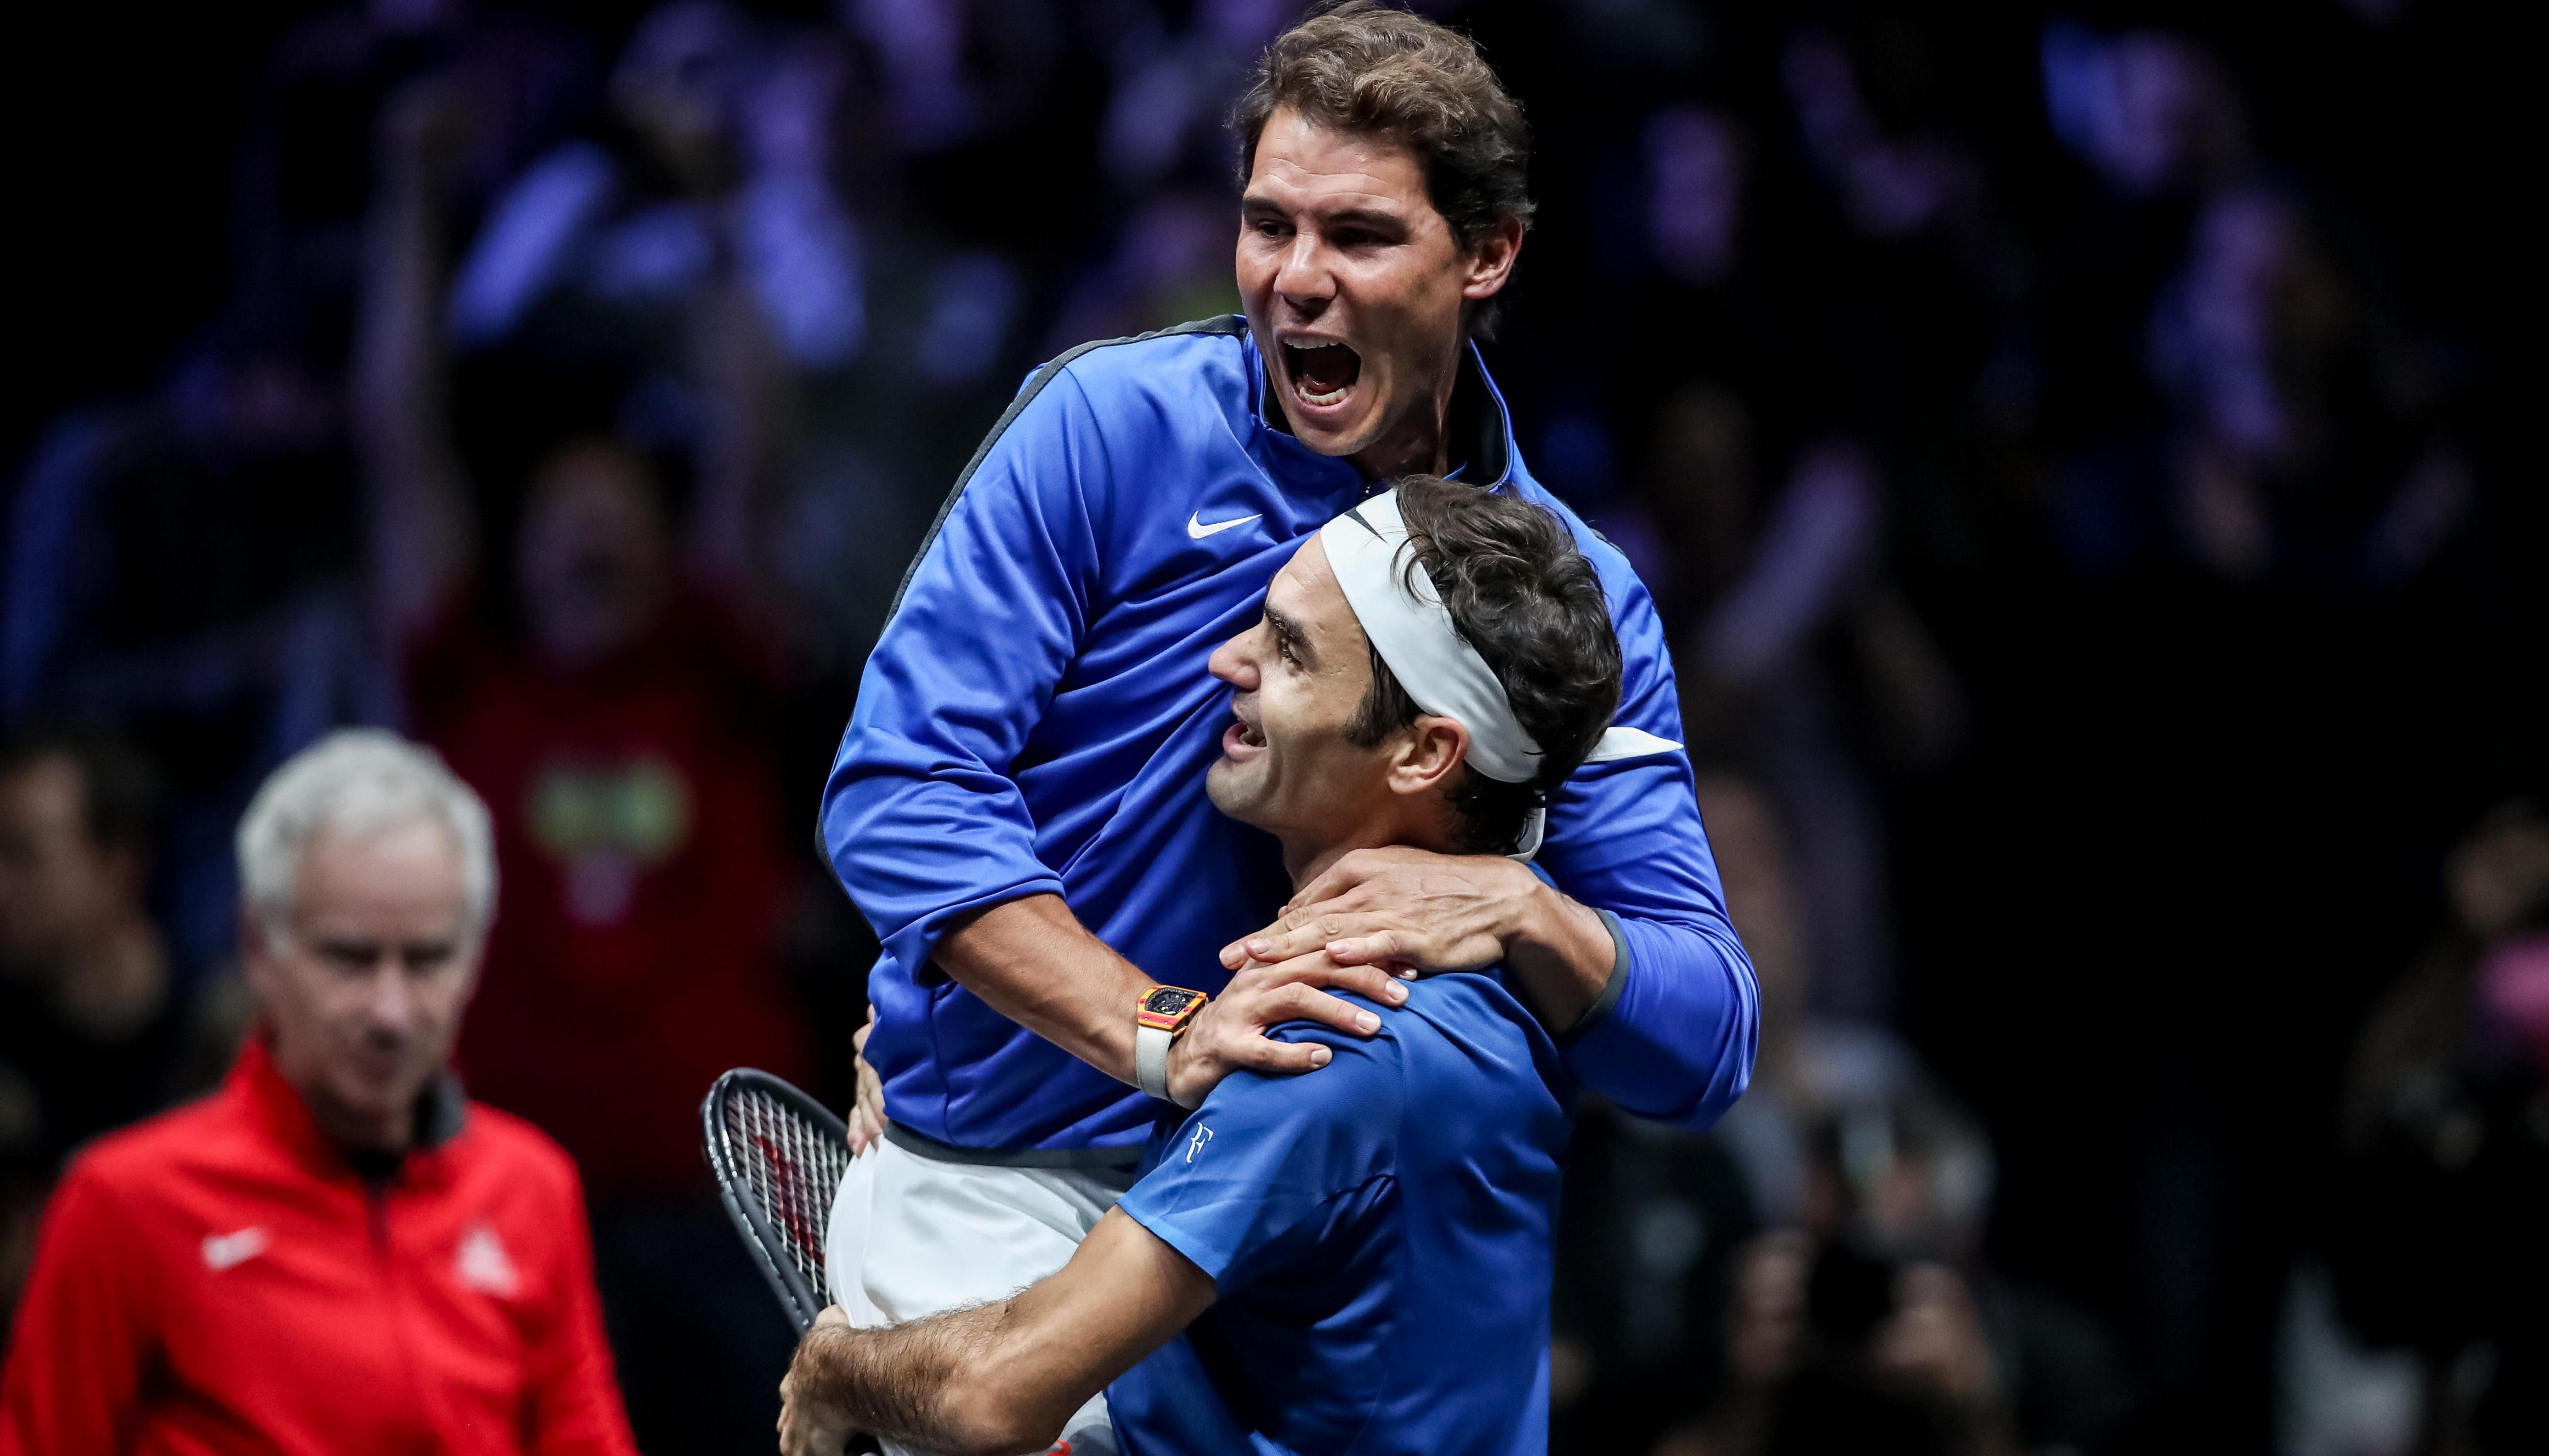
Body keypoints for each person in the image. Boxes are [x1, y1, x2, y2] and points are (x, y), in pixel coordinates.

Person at [820, 5, 1759, 1418]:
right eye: (1269, 224)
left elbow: (1702, 1038)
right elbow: (898, 792)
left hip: (1319, 1246)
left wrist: (1522, 908)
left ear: (1488, 253)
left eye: (1361, 236)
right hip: (1021, 1182)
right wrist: (1150, 1026)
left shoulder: (1571, 589)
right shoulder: (1100, 428)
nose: (1293, 282)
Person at [790, 478, 1616, 1456]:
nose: (1227, 660)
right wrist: (947, 1032)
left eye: (1288, 650)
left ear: (1423, 752)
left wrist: (832, 1369)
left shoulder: (1332, 1045)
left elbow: (993, 1395)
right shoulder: (1515, 990)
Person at [0, 730, 637, 1455]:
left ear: (476, 960)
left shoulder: (532, 1186)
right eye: (349, 957)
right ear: (259, 948)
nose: (391, 1010)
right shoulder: (124, 1202)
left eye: (428, 958)